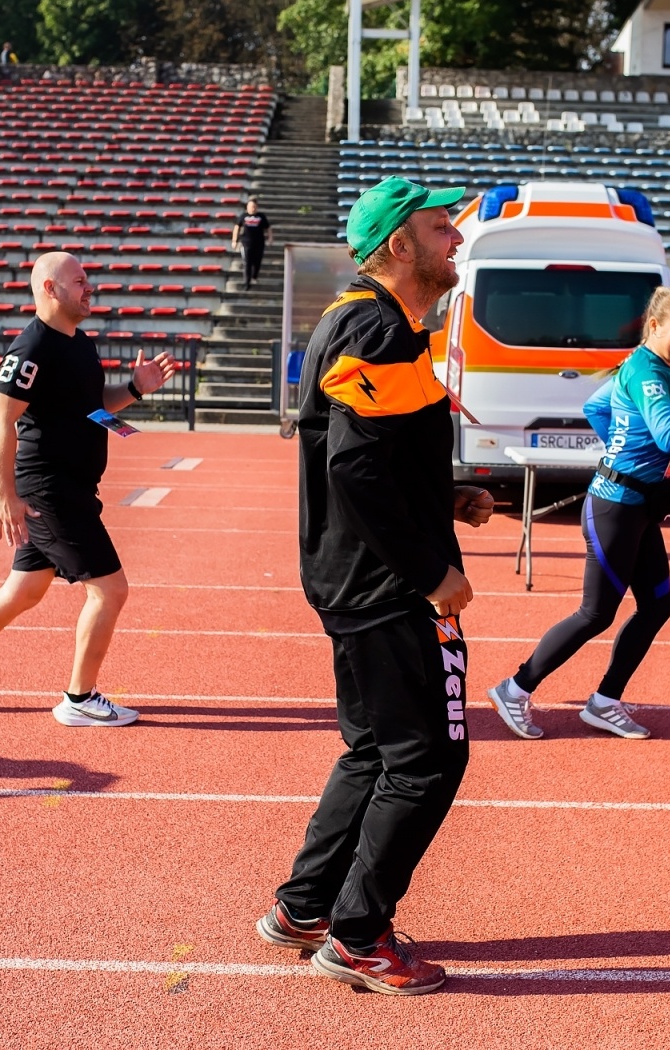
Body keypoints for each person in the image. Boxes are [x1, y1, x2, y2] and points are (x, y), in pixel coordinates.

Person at [256, 176, 493, 996]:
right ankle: (358, 936)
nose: (455, 239)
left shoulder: (372, 322)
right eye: (440, 228)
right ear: (398, 244)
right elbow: (354, 467)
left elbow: (375, 455)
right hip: (386, 585)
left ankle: (305, 906)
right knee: (429, 760)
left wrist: (448, 496)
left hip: (356, 575)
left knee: (374, 750)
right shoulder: (375, 326)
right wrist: (432, 571)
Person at [0, 251, 178, 727]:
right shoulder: (31, 349)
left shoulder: (80, 343)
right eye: (78, 281)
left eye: (87, 279)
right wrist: (4, 494)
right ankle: (80, 697)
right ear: (50, 289)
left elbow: (93, 406)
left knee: (23, 591)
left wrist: (134, 389)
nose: (88, 287)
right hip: (49, 491)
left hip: (71, 487)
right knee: (110, 590)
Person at [486, 288, 670, 741]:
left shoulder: (654, 366)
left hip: (639, 505)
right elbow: (668, 436)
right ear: (655, 327)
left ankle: (605, 701)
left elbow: (596, 407)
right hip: (616, 508)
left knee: (657, 606)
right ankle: (515, 688)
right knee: (595, 614)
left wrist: (625, 448)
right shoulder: (648, 370)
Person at [230, 198, 270, 287]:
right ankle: (247, 282)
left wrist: (270, 238)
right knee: (247, 262)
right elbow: (237, 228)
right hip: (246, 243)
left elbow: (268, 228)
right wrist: (234, 241)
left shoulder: (261, 216)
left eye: (254, 207)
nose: (253, 208)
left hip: (259, 243)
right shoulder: (243, 216)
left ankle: (254, 276)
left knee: (257, 262)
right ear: (247, 207)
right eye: (251, 207)